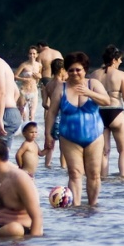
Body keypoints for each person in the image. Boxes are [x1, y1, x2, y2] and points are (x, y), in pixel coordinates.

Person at [44, 52, 110, 207]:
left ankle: (93, 206)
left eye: (78, 69)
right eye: (71, 70)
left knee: (94, 174)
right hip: (69, 137)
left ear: (85, 70)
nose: (74, 73)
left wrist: (89, 93)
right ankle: (76, 207)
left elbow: (107, 100)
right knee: (74, 173)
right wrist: (48, 134)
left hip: (94, 137)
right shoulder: (61, 88)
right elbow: (52, 112)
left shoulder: (93, 84)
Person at [95, 45, 124, 178]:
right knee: (123, 150)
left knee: (104, 151)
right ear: (114, 59)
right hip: (115, 111)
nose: (121, 62)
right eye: (120, 59)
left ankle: (103, 178)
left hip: (99, 113)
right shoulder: (121, 74)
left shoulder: (94, 74)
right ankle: (123, 178)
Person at [14, 46, 39, 122]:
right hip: (24, 91)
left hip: (34, 91)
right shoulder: (24, 65)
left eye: (34, 54)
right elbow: (15, 76)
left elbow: (39, 77)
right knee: (22, 114)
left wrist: (39, 76)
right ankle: (22, 131)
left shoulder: (39, 65)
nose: (32, 55)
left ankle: (32, 131)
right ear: (28, 55)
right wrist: (23, 79)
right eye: (30, 53)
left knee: (32, 115)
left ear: (37, 55)